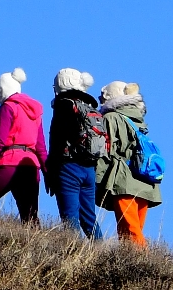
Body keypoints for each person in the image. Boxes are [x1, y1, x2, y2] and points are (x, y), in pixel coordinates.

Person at [0, 69, 44, 223]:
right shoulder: (35, 111)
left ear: (2, 89)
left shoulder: (8, 107)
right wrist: (47, 171)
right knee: (30, 215)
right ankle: (34, 245)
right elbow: (41, 146)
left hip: (9, 163)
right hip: (31, 166)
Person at [97, 80, 162, 242]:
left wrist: (96, 180)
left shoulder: (110, 117)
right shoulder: (138, 119)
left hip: (124, 181)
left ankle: (143, 264)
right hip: (146, 182)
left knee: (130, 232)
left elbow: (106, 151)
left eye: (103, 95)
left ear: (110, 96)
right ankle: (137, 262)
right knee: (135, 229)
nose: (100, 99)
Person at [46, 68, 105, 239]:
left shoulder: (63, 105)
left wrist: (51, 171)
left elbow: (57, 140)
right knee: (89, 218)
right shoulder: (90, 107)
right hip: (89, 169)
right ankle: (99, 255)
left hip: (68, 167)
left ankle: (73, 255)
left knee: (69, 217)